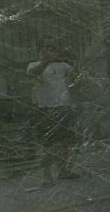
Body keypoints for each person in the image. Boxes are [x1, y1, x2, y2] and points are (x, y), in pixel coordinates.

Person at [27, 37, 79, 186]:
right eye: (47, 48)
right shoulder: (34, 65)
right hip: (46, 109)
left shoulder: (63, 66)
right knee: (48, 143)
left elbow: (77, 78)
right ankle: (47, 175)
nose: (51, 51)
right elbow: (33, 73)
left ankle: (63, 170)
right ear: (40, 50)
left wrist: (71, 60)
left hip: (64, 107)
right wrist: (47, 60)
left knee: (64, 142)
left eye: (53, 48)